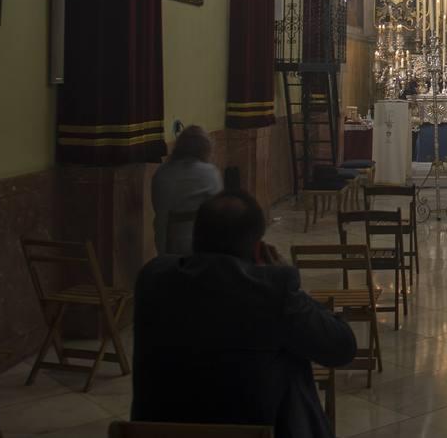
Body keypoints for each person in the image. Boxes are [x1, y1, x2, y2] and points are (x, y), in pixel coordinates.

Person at [132, 191, 357, 435]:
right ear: (258, 249)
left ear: (196, 239)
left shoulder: (152, 278)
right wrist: (286, 283)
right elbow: (342, 347)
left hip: (159, 432)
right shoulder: (272, 290)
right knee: (289, 359)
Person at [151, 125, 222, 255]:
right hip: (202, 244)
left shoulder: (162, 173)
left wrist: (162, 253)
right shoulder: (209, 173)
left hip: (171, 242)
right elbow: (218, 215)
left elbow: (160, 216)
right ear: (205, 148)